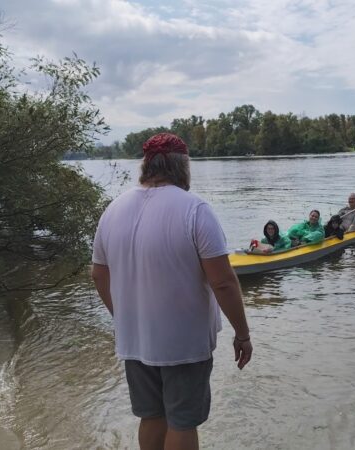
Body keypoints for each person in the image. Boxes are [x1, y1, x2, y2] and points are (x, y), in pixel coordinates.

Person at [91, 133, 252, 450]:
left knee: (151, 416)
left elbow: (98, 274)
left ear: (146, 166)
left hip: (135, 340)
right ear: (183, 166)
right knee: (182, 421)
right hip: (184, 344)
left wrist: (124, 317)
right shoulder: (195, 210)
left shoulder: (113, 210)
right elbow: (223, 282)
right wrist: (242, 334)